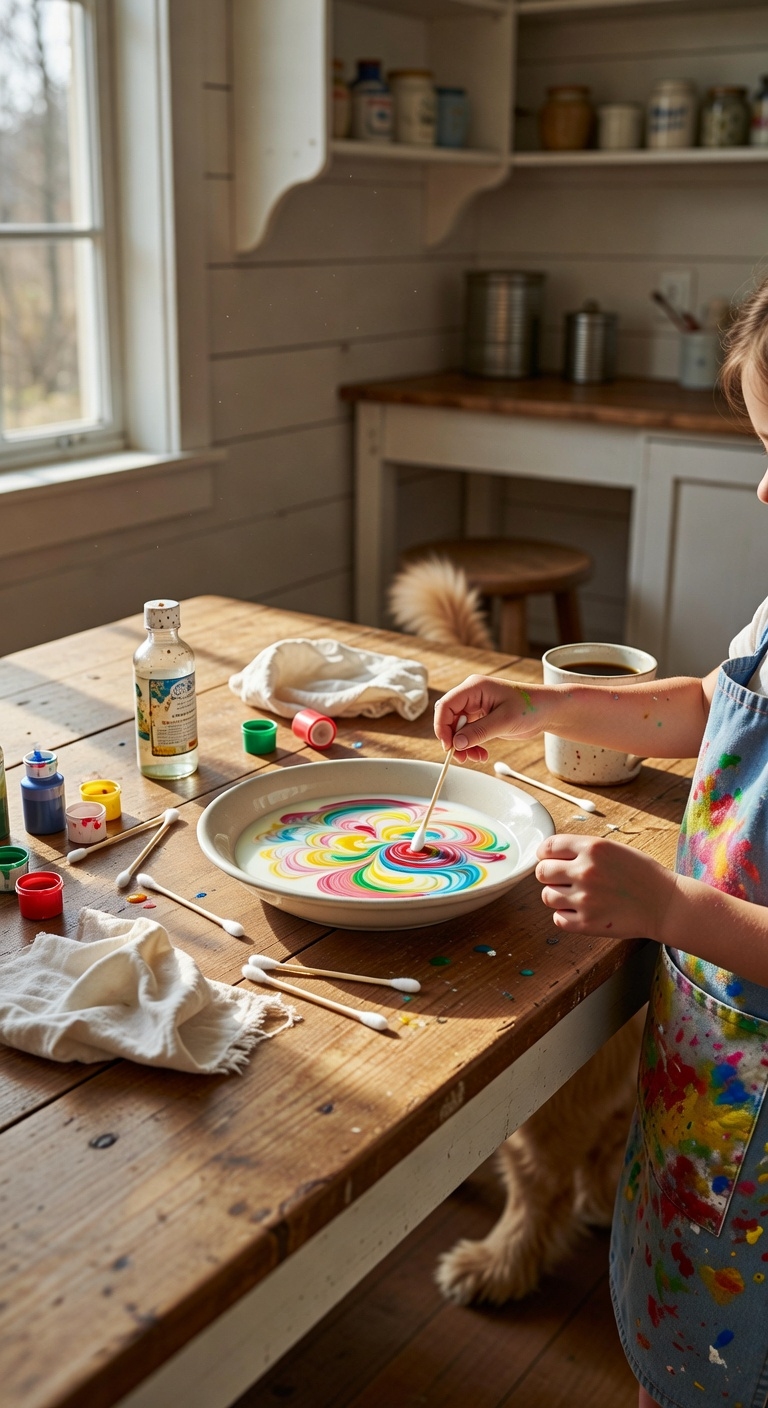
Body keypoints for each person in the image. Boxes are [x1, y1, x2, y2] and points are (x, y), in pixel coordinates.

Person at [433, 280, 768, 1408]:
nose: (766, 486)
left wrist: (673, 909)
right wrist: (544, 707)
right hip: (706, 1058)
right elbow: (708, 709)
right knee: (674, 1320)